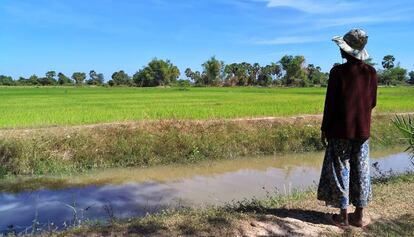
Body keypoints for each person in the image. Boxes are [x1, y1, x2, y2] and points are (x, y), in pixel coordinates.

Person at [317, 29, 378, 228]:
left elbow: (330, 104)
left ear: (346, 51)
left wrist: (325, 128)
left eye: (342, 48)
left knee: (341, 169)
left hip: (340, 130)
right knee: (361, 169)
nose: (340, 52)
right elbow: (372, 103)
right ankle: (358, 216)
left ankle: (343, 217)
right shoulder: (371, 72)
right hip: (362, 130)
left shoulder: (338, 72)